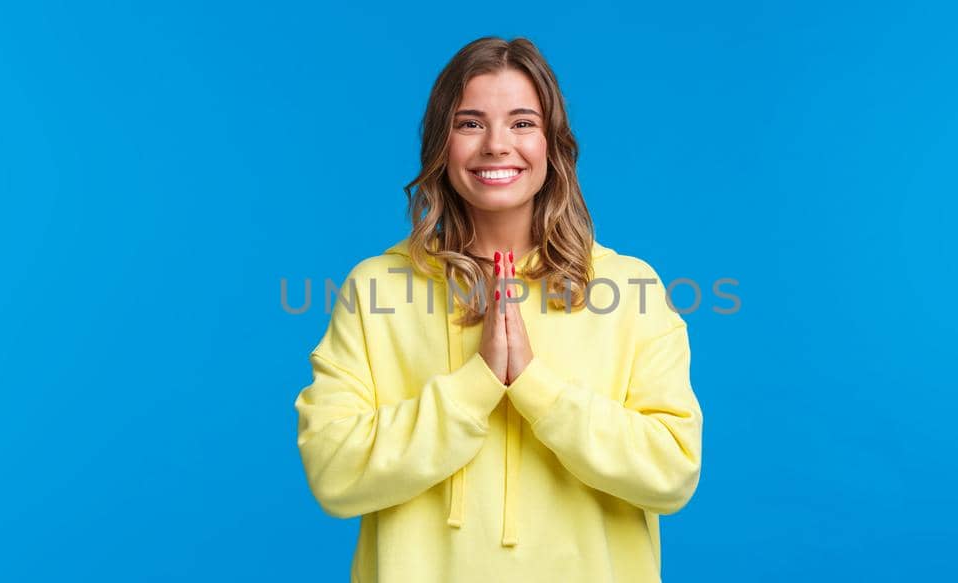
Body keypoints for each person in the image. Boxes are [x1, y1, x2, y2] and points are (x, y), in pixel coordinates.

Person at [294, 36, 704, 582]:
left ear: (552, 143)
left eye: (522, 122)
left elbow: (672, 472)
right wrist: (478, 383)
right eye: (469, 123)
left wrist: (535, 386)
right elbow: (333, 473)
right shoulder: (377, 288)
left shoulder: (630, 288)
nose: (495, 145)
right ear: (442, 143)